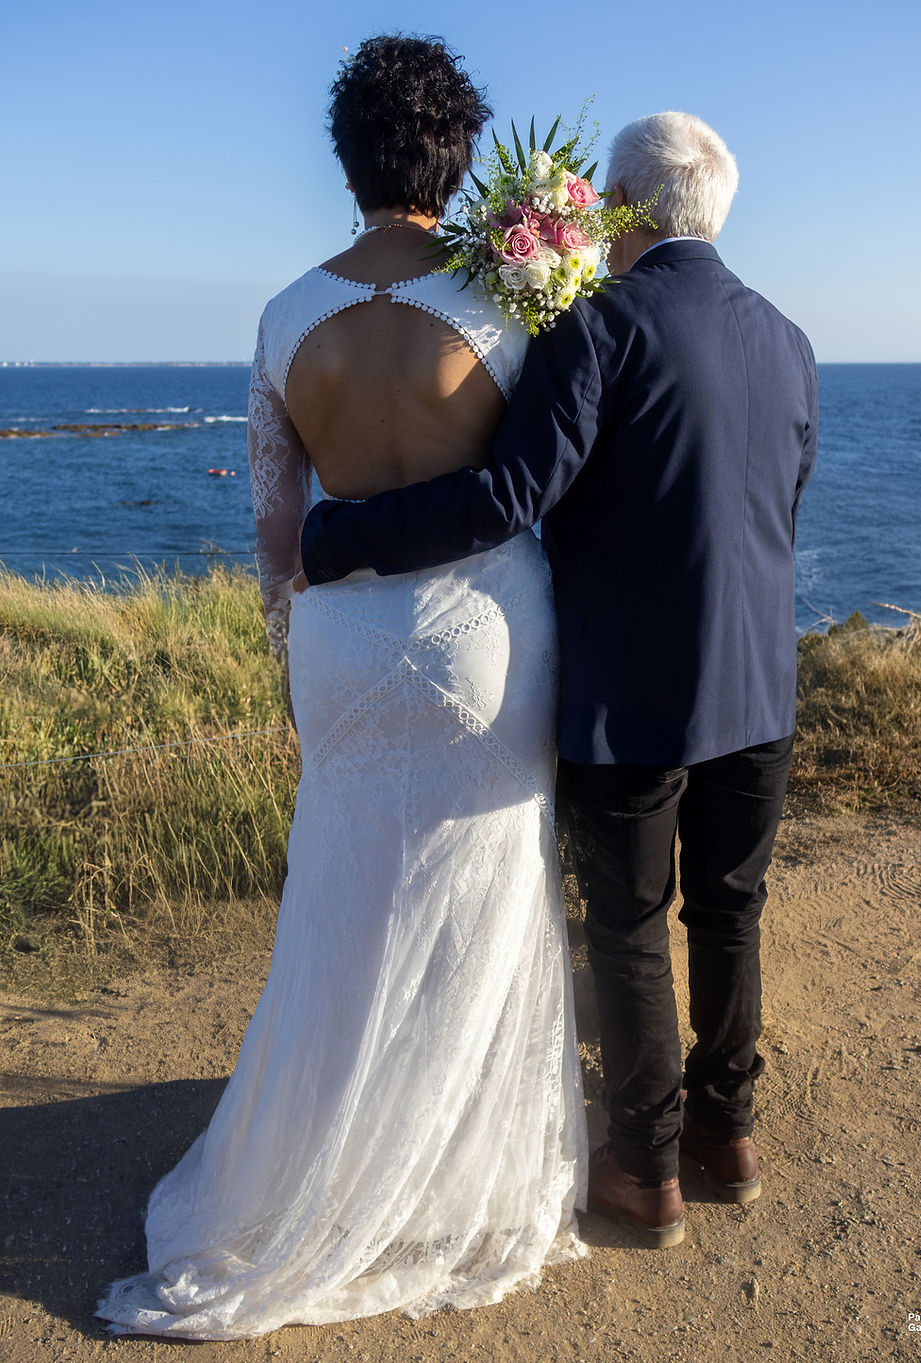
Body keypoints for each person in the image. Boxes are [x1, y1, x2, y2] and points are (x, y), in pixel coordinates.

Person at [96, 36, 587, 1339]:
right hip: (486, 629)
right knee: (480, 899)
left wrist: (292, 656)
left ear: (349, 159)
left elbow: (276, 532)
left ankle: (307, 1169)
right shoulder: (509, 303)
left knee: (344, 901)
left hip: (343, 644)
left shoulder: (279, 316)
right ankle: (451, 1177)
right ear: (461, 159)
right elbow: (547, 482)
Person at [298, 111, 819, 1249]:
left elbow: (504, 497)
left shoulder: (599, 327)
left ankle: (642, 1171)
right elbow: (779, 508)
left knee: (628, 926)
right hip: (757, 687)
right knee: (731, 913)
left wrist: (334, 537)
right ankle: (725, 1137)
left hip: (628, 693)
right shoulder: (787, 338)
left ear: (620, 207)